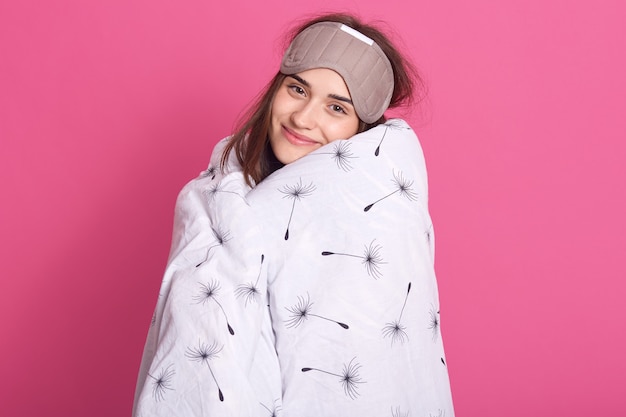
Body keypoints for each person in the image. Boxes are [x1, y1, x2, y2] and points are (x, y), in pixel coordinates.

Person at [133, 13, 454, 417]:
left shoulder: (377, 229)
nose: (303, 118)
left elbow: (375, 374)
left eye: (337, 107)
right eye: (297, 88)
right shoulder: (217, 195)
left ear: (361, 130)